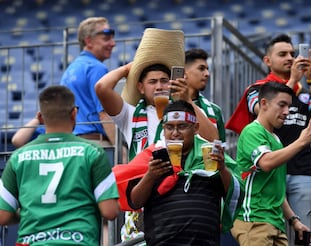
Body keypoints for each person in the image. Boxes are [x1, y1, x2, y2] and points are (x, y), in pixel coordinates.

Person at [95, 28, 219, 241]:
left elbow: (213, 138)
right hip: (143, 190)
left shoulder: (182, 112)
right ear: (141, 87)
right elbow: (101, 87)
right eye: (153, 82)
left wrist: (187, 100)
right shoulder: (130, 114)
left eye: (164, 81)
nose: (160, 86)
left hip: (177, 195)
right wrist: (130, 68)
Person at [225, 34, 311, 240]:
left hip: (301, 170)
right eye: (282, 54)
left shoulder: (304, 92)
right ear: (267, 61)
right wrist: (292, 80)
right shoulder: (257, 90)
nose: (290, 58)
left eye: (292, 53)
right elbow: (260, 112)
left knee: (304, 236)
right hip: (267, 174)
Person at [0, 85, 119, 245]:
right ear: (74, 113)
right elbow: (110, 211)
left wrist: (24, 214)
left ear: (40, 118)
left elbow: (3, 215)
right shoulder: (92, 151)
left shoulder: (18, 157)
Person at [113, 100, 242, 245]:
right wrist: (150, 176)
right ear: (163, 129)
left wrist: (222, 169)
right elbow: (136, 202)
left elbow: (234, 192)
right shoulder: (152, 157)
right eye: (169, 127)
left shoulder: (211, 156)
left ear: (196, 128)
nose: (175, 133)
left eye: (182, 126)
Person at [231, 82, 311, 245]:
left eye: (289, 106)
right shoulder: (252, 131)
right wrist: (301, 141)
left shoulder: (276, 139)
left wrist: (294, 220)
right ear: (263, 103)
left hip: (275, 222)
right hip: (255, 220)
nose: (287, 112)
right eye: (282, 105)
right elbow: (265, 162)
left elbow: (277, 189)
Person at [60, 16, 116, 146]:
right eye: (106, 38)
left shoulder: (69, 71)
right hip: (95, 144)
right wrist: (121, 152)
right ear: (89, 41)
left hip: (72, 144)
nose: (113, 43)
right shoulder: (96, 68)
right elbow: (104, 115)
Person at [184, 48, 226, 142]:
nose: (207, 74)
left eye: (207, 69)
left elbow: (219, 148)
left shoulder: (215, 111)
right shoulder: (166, 105)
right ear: (184, 73)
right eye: (201, 68)